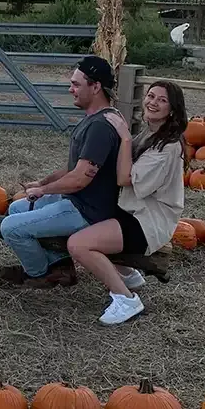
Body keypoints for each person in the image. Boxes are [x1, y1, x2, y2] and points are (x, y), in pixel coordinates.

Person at [67, 80, 187, 326]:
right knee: (84, 219)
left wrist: (123, 138)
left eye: (162, 100)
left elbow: (124, 177)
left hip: (147, 222)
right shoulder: (149, 134)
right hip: (130, 211)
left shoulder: (168, 147)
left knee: (78, 245)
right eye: (151, 96)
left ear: (172, 110)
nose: (153, 102)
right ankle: (127, 273)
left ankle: (126, 299)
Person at [0, 56, 121, 288]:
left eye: (76, 84)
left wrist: (44, 190)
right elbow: (74, 167)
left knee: (10, 228)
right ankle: (61, 267)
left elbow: (79, 178)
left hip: (88, 211)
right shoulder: (95, 119)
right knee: (16, 207)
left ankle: (40, 274)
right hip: (76, 200)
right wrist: (42, 182)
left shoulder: (100, 127)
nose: (70, 89)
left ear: (95, 87)